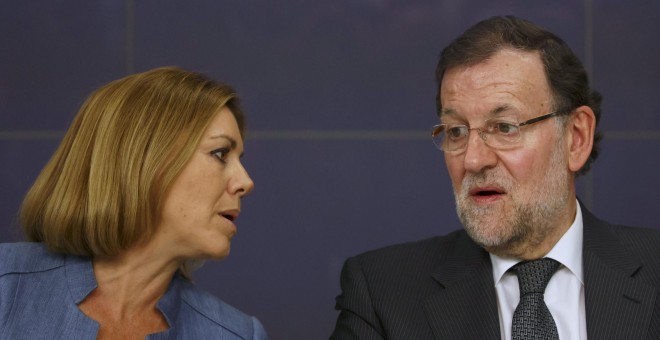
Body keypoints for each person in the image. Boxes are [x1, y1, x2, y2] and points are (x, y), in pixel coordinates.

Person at [331, 15, 660, 340]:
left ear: (575, 138)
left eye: (505, 127)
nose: (473, 159)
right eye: (457, 131)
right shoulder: (382, 294)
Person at [0, 67, 268, 339]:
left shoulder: (240, 335)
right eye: (220, 153)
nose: (245, 182)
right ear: (145, 160)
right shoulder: (5, 285)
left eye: (239, 159)